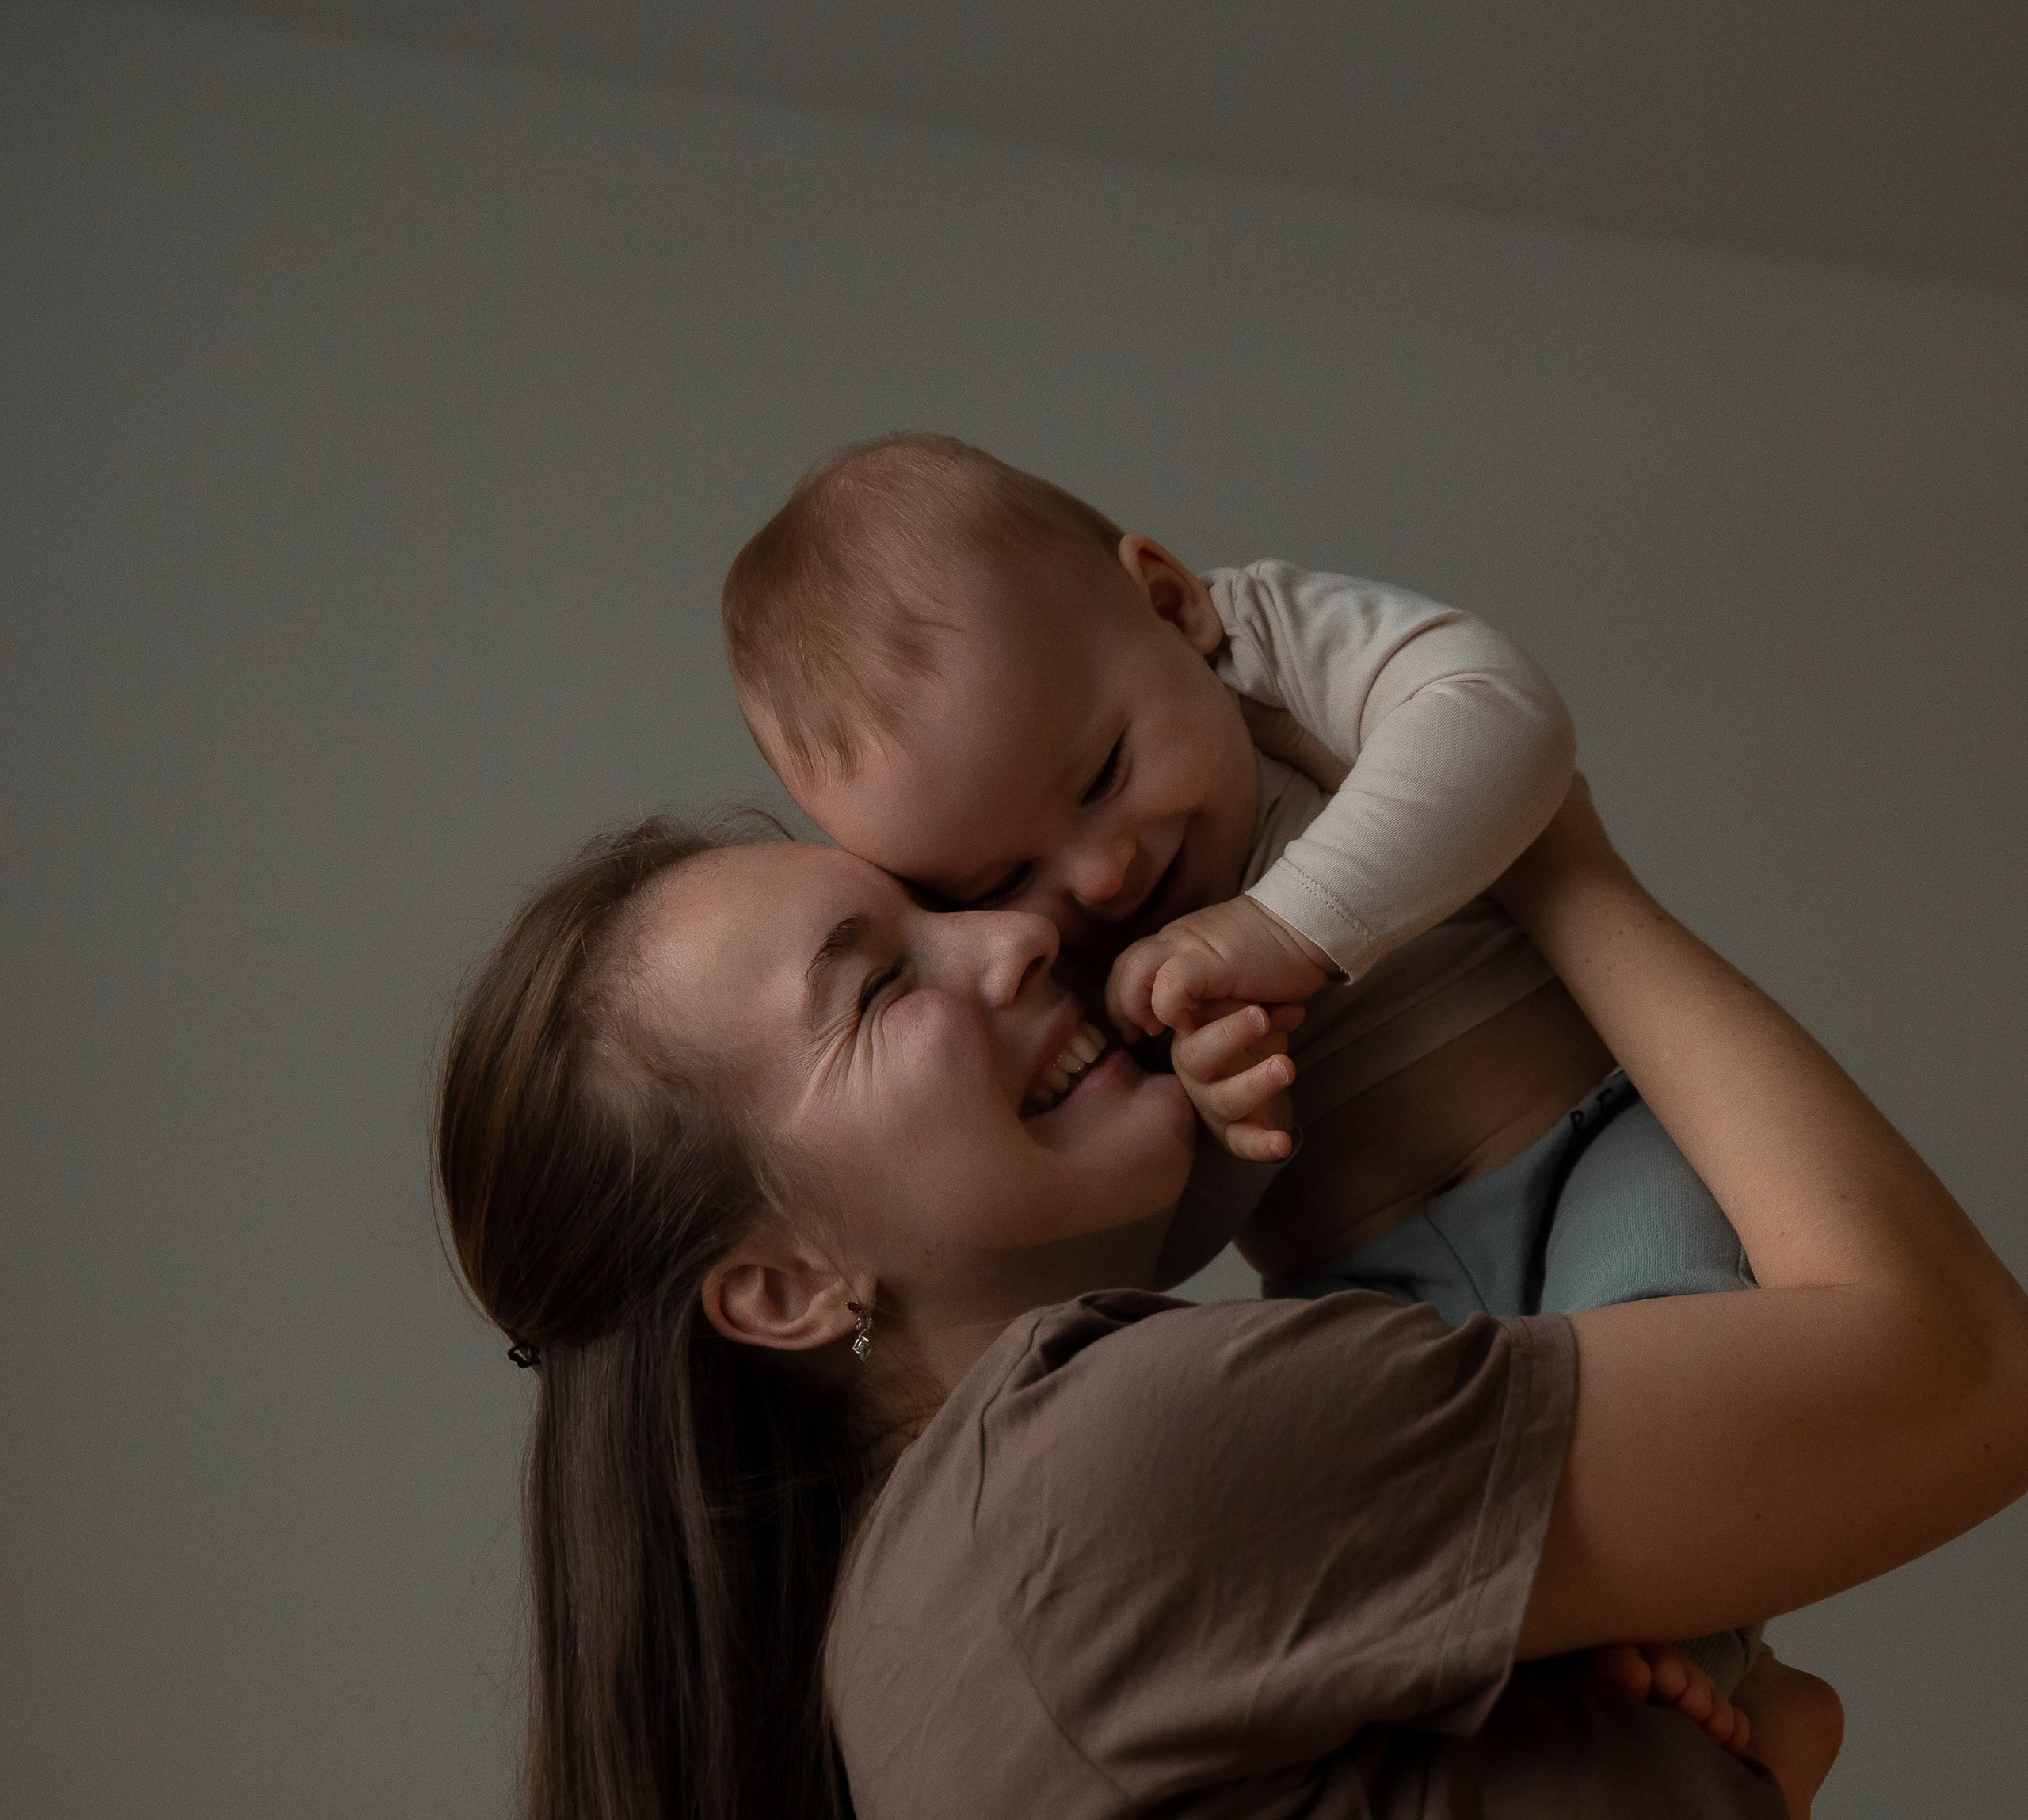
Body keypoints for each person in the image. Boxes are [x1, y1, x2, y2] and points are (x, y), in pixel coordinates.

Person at [435, 778, 2028, 1819]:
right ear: (780, 1287)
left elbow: (1786, 1725)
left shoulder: (923, 1646)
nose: (1012, 936)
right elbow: (1964, 1376)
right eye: (877, 982)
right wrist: (1542, 848)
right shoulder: (1102, 1474)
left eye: (944, 902)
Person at [721, 433, 1762, 1685]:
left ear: (1167, 603)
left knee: (1681, 1349)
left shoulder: (1265, 646)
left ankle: (1708, 1656)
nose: (1098, 875)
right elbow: (1154, 1225)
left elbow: (1503, 720)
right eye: (1001, 880)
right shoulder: (1070, 961)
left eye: (1103, 774)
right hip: (1357, 1277)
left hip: (1589, 1138)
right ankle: (1611, 1705)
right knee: (1415, 1551)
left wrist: (1289, 926)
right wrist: (1211, 1117)